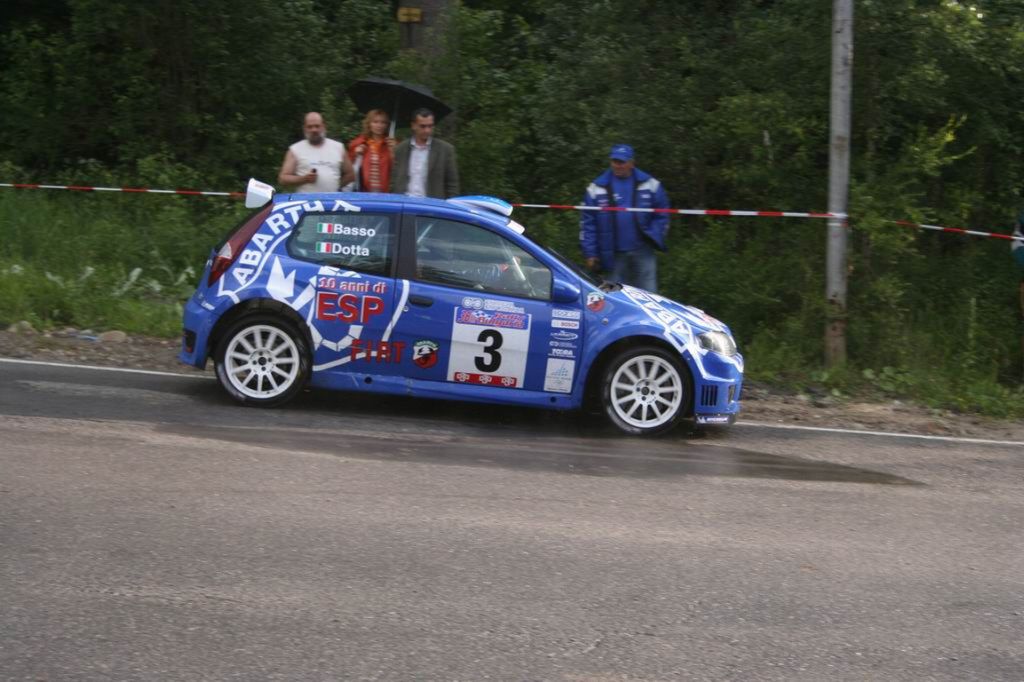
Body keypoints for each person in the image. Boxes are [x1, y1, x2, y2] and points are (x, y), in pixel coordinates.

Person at [579, 144, 670, 293]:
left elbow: (663, 212)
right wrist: (590, 253)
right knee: (613, 298)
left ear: (631, 163)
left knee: (650, 296)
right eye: (615, 161)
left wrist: (654, 235)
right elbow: (588, 224)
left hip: (643, 252)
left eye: (622, 162)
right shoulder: (596, 187)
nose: (618, 165)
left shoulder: (650, 184)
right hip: (612, 255)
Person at [390, 108, 460, 199]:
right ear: (413, 125)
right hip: (404, 203)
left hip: (431, 206)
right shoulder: (401, 149)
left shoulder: (445, 150)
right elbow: (394, 180)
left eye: (430, 126)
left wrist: (450, 206)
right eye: (423, 126)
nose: (427, 130)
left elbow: (452, 184)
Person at [278, 112, 354, 192]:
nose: (314, 130)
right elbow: (283, 179)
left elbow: (350, 175)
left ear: (324, 127)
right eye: (310, 127)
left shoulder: (338, 147)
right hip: (306, 202)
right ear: (304, 128)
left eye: (317, 126)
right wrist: (304, 179)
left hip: (332, 202)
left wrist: (336, 186)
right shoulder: (295, 149)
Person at [346, 109, 397, 192]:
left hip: (386, 193)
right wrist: (356, 154)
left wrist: (394, 151)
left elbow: (397, 170)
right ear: (369, 124)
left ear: (387, 125)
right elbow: (348, 167)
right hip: (363, 191)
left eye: (383, 122)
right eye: (375, 122)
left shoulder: (391, 144)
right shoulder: (359, 143)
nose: (379, 125)